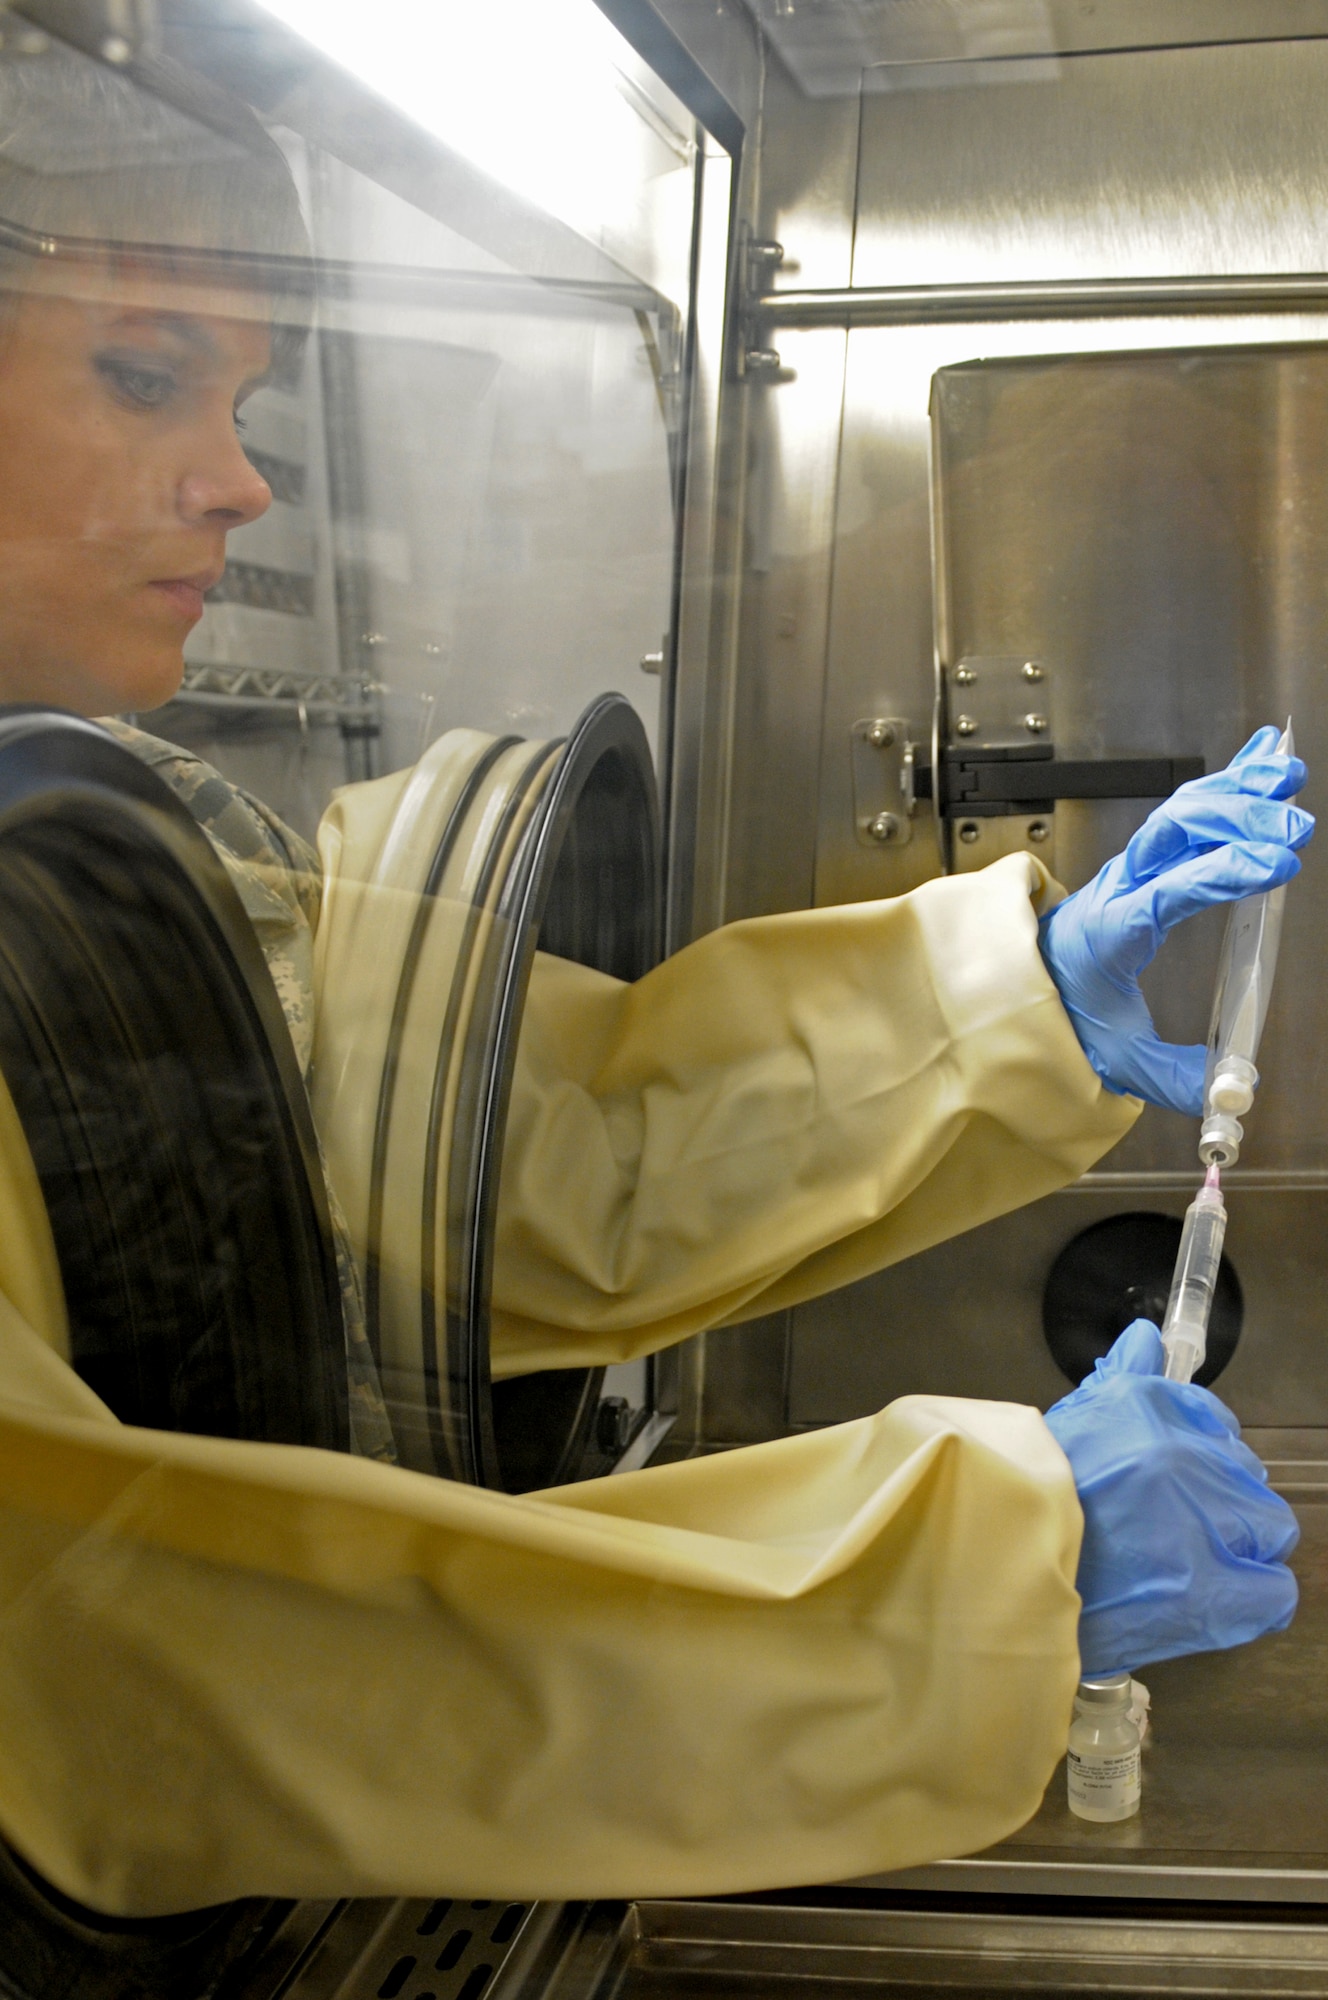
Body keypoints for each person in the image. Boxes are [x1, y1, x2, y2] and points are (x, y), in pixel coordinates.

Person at [0, 33, 1309, 1939]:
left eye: (247, 398)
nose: (240, 484)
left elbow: (484, 1173)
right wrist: (960, 1587)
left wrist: (1004, 1001)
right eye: (141, 377)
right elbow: (97, 1660)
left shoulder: (96, 834)